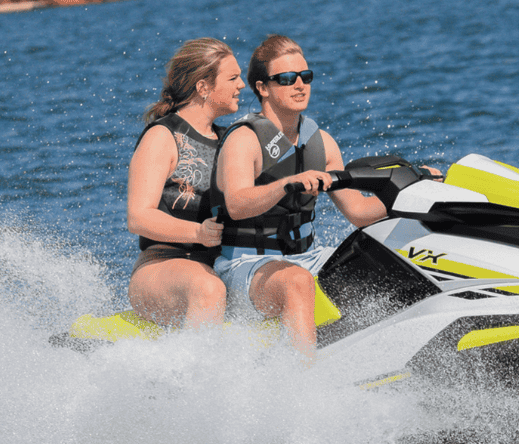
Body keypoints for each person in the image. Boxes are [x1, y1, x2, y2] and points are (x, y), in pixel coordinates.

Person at [211, 34, 390, 355]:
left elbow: (359, 213)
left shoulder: (321, 142)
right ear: (262, 88)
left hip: (307, 257)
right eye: (286, 79)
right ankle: (304, 389)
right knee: (296, 282)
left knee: (388, 258)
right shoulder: (244, 139)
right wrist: (287, 184)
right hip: (244, 268)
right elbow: (236, 205)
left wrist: (415, 193)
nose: (299, 85)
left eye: (305, 77)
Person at [127, 37, 245, 329]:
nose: (242, 85)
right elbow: (138, 217)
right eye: (233, 78)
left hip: (219, 264)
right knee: (209, 289)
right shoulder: (162, 137)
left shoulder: (233, 139)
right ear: (203, 87)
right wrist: (198, 232)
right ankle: (200, 374)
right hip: (162, 266)